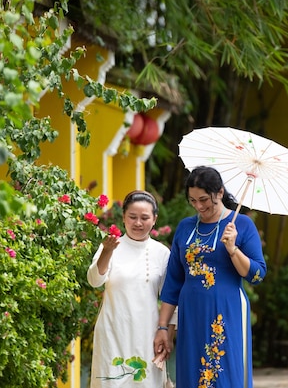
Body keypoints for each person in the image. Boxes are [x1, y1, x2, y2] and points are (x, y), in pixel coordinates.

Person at [153, 166, 267, 388]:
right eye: (193, 200)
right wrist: (163, 327)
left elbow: (257, 274)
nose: (199, 206)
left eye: (204, 199)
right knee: (191, 372)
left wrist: (233, 249)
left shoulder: (242, 225)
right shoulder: (186, 227)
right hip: (191, 312)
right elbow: (173, 282)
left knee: (226, 373)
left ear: (220, 193)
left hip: (227, 311)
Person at [87, 190, 173, 388]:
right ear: (123, 216)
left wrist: (167, 334)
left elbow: (170, 299)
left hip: (147, 335)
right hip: (112, 331)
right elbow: (94, 280)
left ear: (155, 219)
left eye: (145, 218)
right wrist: (107, 252)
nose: (138, 223)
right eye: (132, 217)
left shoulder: (162, 253)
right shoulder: (110, 246)